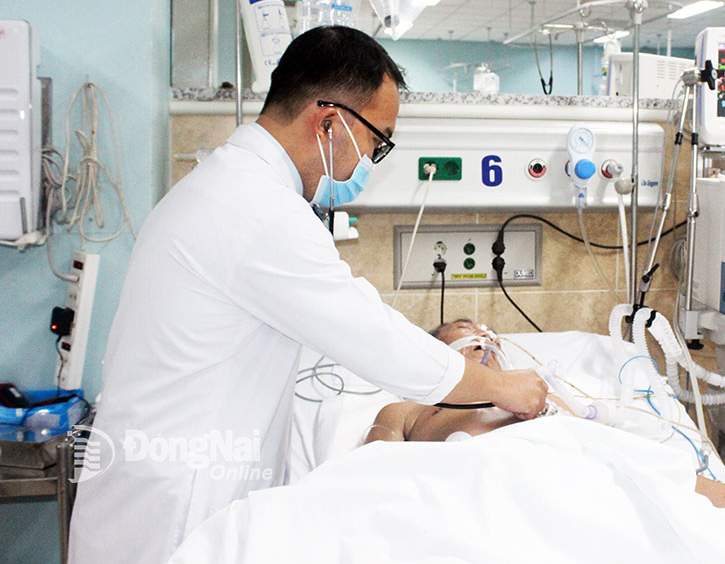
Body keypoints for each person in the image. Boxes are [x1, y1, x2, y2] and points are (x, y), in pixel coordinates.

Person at [68, 28, 547, 564]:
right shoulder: (258, 209)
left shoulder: (226, 186)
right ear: (329, 123)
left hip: (161, 486)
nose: (371, 161)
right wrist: (500, 387)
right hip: (177, 511)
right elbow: (373, 336)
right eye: (378, 142)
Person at [366, 318, 725, 552]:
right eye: (465, 332)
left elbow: (640, 470)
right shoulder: (409, 410)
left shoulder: (544, 400)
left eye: (490, 336)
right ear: (437, 354)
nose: (485, 340)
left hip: (574, 501)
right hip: (481, 508)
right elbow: (370, 478)